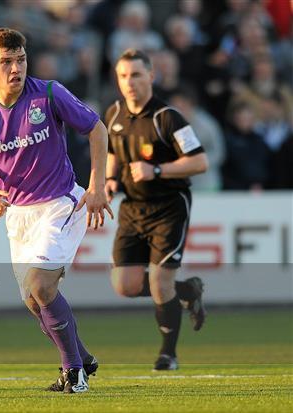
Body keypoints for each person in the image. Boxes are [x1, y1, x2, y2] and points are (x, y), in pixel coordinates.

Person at [0, 28, 112, 393]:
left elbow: (97, 130)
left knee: (42, 287)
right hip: (17, 214)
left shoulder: (50, 94)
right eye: (6, 62)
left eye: (21, 60)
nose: (15, 69)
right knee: (32, 301)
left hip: (60, 204)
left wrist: (97, 186)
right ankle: (83, 356)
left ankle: (74, 373)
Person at [104, 49, 209, 371]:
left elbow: (200, 162)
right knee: (125, 285)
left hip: (169, 207)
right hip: (133, 207)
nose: (129, 82)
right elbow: (113, 151)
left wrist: (158, 170)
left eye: (136, 75)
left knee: (160, 282)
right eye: (123, 76)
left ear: (151, 76)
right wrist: (110, 179)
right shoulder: (114, 113)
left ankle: (168, 354)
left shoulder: (168, 117)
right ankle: (188, 290)